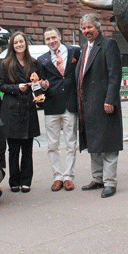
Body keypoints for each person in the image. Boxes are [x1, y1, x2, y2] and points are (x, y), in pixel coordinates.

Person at [75, 14, 123, 198]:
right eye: (84, 28)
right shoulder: (84, 48)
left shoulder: (109, 45)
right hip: (88, 105)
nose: (87, 31)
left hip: (104, 104)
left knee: (108, 144)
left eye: (90, 28)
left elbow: (114, 75)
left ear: (98, 28)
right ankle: (98, 179)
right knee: (94, 143)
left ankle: (110, 183)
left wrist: (110, 100)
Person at [37, 27, 81, 192]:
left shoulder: (75, 52)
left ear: (60, 36)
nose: (51, 41)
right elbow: (40, 83)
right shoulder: (42, 60)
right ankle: (57, 176)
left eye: (53, 37)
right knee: (52, 145)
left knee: (71, 143)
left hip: (70, 104)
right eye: (47, 39)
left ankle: (69, 176)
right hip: (52, 106)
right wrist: (43, 86)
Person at [0, 32, 40, 193]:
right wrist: (17, 88)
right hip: (11, 109)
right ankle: (14, 180)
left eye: (21, 42)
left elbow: (36, 83)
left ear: (25, 44)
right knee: (13, 150)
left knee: (28, 149)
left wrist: (39, 90)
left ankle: (26, 180)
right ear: (12, 45)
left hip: (28, 108)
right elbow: (1, 85)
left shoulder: (33, 62)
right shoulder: (5, 63)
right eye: (16, 42)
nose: (19, 45)